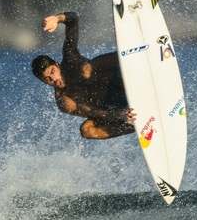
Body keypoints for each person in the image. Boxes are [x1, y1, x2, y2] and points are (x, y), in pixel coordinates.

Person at [31, 11, 136, 139]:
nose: (55, 79)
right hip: (118, 109)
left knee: (86, 70)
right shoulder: (64, 100)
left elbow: (73, 19)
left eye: (53, 72)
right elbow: (92, 112)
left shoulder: (70, 58)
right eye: (48, 79)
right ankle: (137, 126)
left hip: (122, 80)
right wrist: (119, 115)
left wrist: (57, 19)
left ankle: (131, 55)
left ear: (57, 65)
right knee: (87, 130)